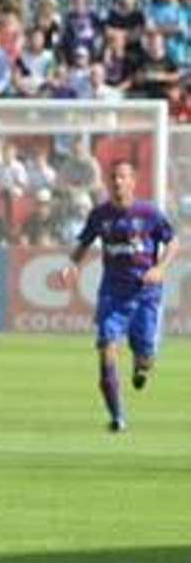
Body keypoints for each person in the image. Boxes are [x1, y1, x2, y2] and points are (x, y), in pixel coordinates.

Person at [60, 159, 178, 433]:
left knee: (144, 356)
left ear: (133, 182)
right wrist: (71, 265)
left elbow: (173, 241)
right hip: (112, 293)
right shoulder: (100, 214)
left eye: (123, 177)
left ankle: (143, 364)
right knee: (105, 346)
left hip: (146, 294)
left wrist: (160, 268)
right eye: (113, 177)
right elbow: (84, 242)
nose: (117, 182)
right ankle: (117, 417)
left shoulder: (149, 213)